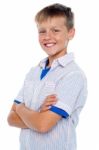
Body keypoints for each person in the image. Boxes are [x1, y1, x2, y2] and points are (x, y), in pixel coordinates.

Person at [7, 3, 87, 150]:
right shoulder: (33, 72)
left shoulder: (73, 75)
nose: (47, 37)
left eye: (55, 30)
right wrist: (37, 114)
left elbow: (43, 125)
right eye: (42, 31)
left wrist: (20, 108)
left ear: (70, 33)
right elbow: (10, 119)